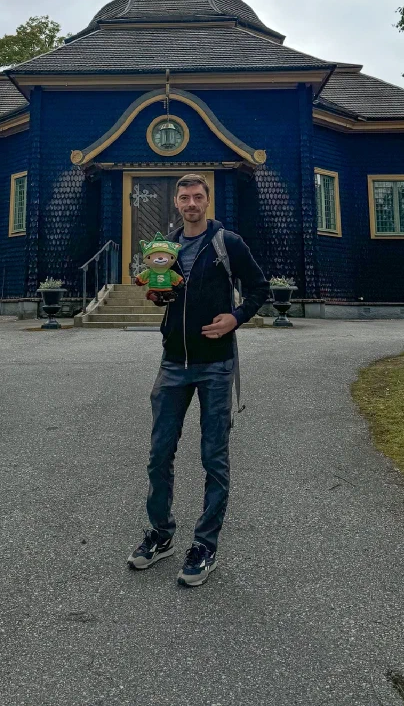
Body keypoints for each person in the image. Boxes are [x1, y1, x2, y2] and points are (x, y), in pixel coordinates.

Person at [127, 173, 269, 587]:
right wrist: (159, 297)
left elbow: (259, 288)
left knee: (214, 457)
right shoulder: (167, 247)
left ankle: (205, 545)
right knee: (159, 453)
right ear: (177, 203)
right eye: (184, 197)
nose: (191, 203)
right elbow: (169, 295)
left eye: (197, 196)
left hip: (215, 365)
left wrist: (236, 318)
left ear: (207, 201)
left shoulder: (228, 244)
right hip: (173, 362)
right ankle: (161, 534)